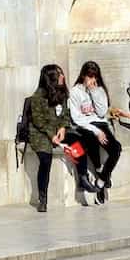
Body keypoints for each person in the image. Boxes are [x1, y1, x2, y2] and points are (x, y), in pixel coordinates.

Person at [26, 64, 83, 213]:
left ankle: (82, 178)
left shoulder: (62, 93)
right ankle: (42, 198)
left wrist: (63, 127)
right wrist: (52, 135)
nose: (63, 77)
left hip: (58, 130)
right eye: (59, 74)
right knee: (45, 158)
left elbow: (65, 114)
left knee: (79, 140)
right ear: (51, 78)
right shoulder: (38, 97)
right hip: (40, 133)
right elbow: (39, 121)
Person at [67, 60, 122, 203]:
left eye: (94, 77)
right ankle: (98, 168)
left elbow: (102, 112)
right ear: (83, 75)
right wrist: (96, 131)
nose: (91, 80)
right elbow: (77, 118)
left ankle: (101, 180)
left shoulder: (99, 90)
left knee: (116, 148)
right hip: (86, 125)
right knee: (90, 138)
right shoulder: (75, 91)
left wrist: (94, 92)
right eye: (89, 76)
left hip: (101, 123)